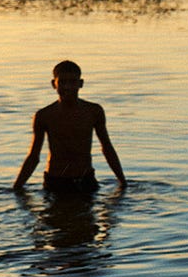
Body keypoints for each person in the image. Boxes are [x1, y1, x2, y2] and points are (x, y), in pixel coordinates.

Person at [13, 60, 127, 196]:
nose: (67, 87)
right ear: (53, 84)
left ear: (81, 84)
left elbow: (107, 148)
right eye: (62, 82)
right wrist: (17, 187)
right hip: (55, 182)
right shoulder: (44, 115)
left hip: (86, 181)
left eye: (72, 82)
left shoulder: (93, 111)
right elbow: (34, 156)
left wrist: (123, 182)